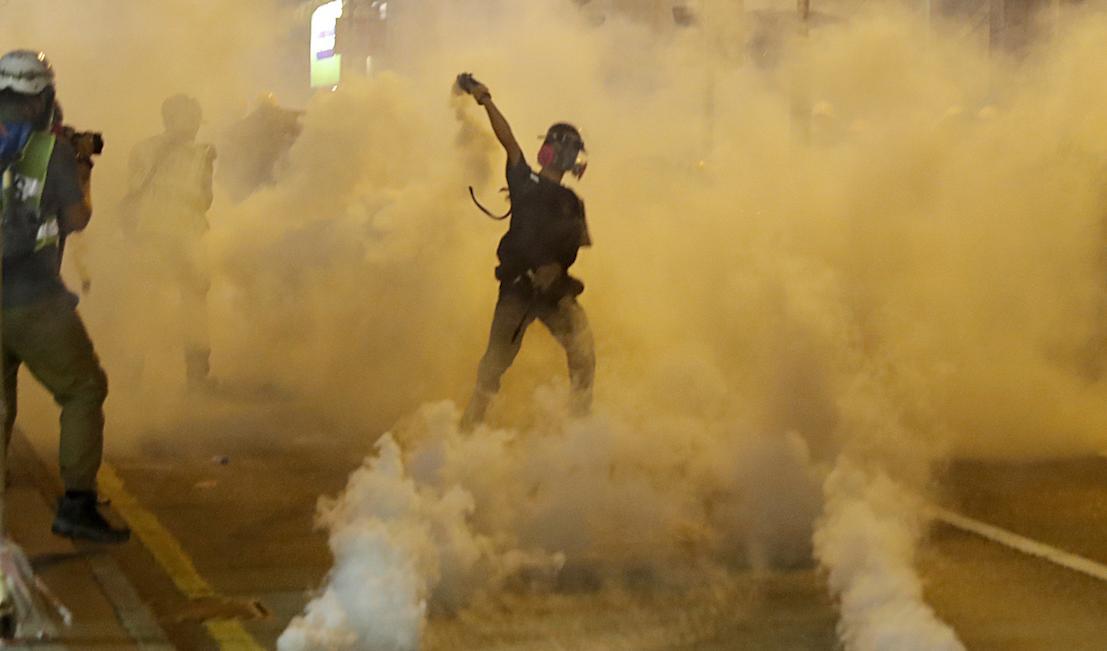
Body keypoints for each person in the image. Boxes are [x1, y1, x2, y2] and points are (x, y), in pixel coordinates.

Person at [0, 50, 128, 543]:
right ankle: (77, 504)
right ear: (42, 97)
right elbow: (77, 219)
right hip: (33, 298)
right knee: (83, 389)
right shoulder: (49, 152)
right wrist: (81, 163)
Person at [457, 74, 596, 430]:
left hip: (553, 292)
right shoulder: (526, 182)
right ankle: (470, 424)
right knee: (494, 365)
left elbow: (571, 249)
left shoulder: (569, 201)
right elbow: (507, 139)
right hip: (520, 288)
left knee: (582, 352)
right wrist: (484, 99)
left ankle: (580, 425)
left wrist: (552, 272)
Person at [123, 94, 217, 390]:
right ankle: (197, 377)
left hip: (150, 235)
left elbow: (133, 190)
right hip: (185, 237)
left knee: (147, 304)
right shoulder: (202, 153)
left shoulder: (142, 149)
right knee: (193, 305)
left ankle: (135, 376)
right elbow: (206, 200)